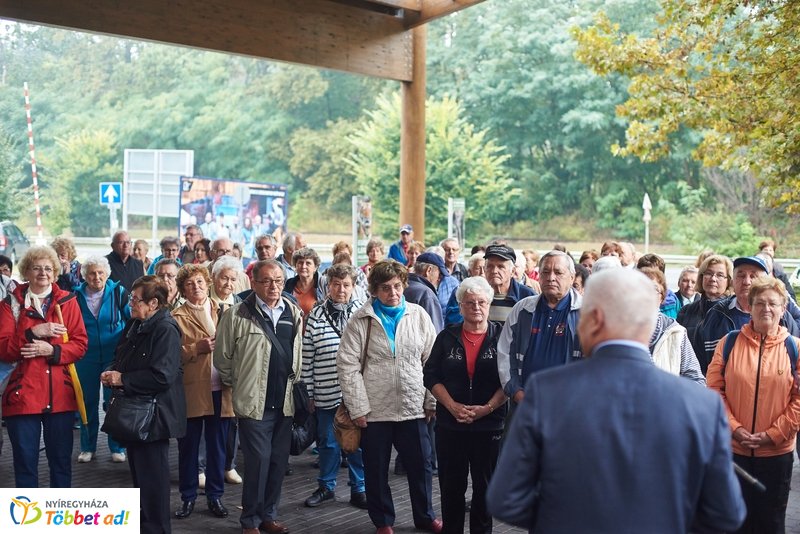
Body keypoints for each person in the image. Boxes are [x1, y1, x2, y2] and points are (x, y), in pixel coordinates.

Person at [487, 268, 746, 533]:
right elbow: (726, 513)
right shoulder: (701, 405)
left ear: (595, 319)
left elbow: (506, 499)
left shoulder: (546, 392)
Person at [337, 260, 441, 534]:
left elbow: (432, 362)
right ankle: (383, 521)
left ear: (404, 285)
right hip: (374, 411)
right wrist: (358, 408)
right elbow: (347, 366)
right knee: (376, 469)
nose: (393, 293)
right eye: (385, 288)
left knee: (421, 467)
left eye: (397, 286)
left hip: (414, 408)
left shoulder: (418, 315)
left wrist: (431, 400)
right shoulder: (360, 319)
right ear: (374, 290)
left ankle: (425, 516)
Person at [214, 259, 303, 534]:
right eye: (266, 281)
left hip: (284, 403)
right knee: (258, 463)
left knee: (277, 463)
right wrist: (241, 385)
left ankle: (269, 515)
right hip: (253, 404)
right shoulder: (237, 314)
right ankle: (250, 521)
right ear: (253, 283)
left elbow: (297, 354)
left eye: (278, 280)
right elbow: (223, 359)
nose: (273, 286)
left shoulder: (292, 311)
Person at [707, 276, 800, 533]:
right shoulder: (729, 343)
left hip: (776, 455)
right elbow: (714, 391)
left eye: (773, 303)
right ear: (750, 306)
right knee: (733, 522)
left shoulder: (795, 348)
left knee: (771, 523)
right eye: (759, 302)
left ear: (783, 309)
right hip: (734, 453)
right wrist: (734, 429)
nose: (766, 309)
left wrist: (773, 435)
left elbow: (799, 401)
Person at [101, 276, 186, 534]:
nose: (130, 304)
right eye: (130, 298)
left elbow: (163, 375)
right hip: (136, 414)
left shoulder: (166, 329)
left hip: (154, 417)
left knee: (153, 484)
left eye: (135, 300)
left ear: (154, 303)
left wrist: (123, 379)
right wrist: (111, 371)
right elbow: (120, 356)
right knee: (141, 480)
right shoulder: (135, 324)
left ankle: (157, 528)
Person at [423, 276, 507, 534]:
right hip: (451, 425)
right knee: (451, 487)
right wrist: (451, 406)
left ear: (489, 304)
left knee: (485, 489)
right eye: (469, 303)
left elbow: (510, 378)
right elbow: (431, 375)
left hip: (488, 425)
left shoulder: (502, 337)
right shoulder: (447, 337)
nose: (476, 307)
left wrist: (487, 409)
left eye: (481, 302)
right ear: (460, 307)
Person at [0, 246, 88, 487]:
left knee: (61, 464)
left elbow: (80, 345)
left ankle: (58, 523)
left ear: (56, 272)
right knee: (25, 464)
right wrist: (32, 333)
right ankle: (30, 524)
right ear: (26, 271)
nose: (43, 273)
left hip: (60, 396)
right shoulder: (10, 304)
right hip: (21, 396)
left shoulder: (68, 302)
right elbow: (4, 349)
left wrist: (53, 351)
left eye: (48, 268)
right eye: (36, 268)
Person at [301, 263, 367, 510]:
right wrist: (308, 391)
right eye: (336, 284)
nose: (341, 289)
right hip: (325, 390)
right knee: (327, 442)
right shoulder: (316, 314)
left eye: (346, 285)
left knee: (356, 443)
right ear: (328, 286)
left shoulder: (363, 312)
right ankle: (326, 487)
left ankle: (359, 489)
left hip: (356, 393)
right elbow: (307, 355)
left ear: (353, 287)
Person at [172, 264, 233, 520]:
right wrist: (195, 348)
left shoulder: (226, 310)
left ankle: (215, 496)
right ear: (183, 290)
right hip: (192, 392)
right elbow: (171, 356)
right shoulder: (176, 317)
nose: (195, 287)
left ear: (207, 282)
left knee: (218, 448)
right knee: (189, 447)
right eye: (189, 284)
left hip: (222, 390)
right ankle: (187, 497)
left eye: (199, 281)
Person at [497, 250, 582, 404]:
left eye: (558, 272)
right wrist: (516, 392)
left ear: (572, 277)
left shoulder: (586, 312)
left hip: (570, 406)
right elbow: (505, 353)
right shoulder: (522, 309)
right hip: (525, 402)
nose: (551, 278)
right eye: (546, 272)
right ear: (539, 276)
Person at [699, 256, 800, 375]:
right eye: (741, 275)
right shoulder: (716, 314)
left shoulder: (781, 317)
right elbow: (702, 365)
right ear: (732, 281)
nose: (746, 282)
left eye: (753, 276)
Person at [74, 255, 130, 464]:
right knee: (87, 402)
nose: (96, 277)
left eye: (100, 273)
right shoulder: (75, 297)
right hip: (85, 357)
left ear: (107, 274)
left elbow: (131, 320)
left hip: (113, 357)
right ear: (85, 276)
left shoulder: (119, 292)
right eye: (92, 273)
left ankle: (117, 446)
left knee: (113, 402)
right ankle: (88, 447)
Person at [209, 255, 244, 485]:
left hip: (234, 371)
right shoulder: (203, 301)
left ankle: (228, 465)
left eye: (233, 279)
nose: (228, 284)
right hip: (207, 370)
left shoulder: (241, 304)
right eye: (224, 278)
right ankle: (203, 467)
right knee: (208, 421)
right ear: (213, 278)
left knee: (231, 421)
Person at [638, 267, 705, 384]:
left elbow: (695, 378)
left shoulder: (675, 332)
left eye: (653, 289)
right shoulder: (616, 329)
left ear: (662, 297)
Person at [446, 245, 535, 325]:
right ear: (484, 269)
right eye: (490, 266)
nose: (494, 271)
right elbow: (453, 327)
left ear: (512, 271)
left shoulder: (527, 297)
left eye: (501, 267)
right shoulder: (466, 293)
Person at [677, 254, 733, 367]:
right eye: (708, 273)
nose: (713, 279)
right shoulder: (686, 311)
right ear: (701, 277)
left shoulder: (732, 312)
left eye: (720, 275)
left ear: (729, 281)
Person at [404, 253, 445, 333]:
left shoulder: (401, 287)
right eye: (439, 274)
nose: (439, 278)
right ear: (428, 270)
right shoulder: (426, 294)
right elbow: (435, 332)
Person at [284, 247, 325, 322]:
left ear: (315, 267)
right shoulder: (288, 285)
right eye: (300, 262)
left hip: (315, 332)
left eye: (308, 263)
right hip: (294, 332)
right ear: (295, 266)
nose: (303, 266)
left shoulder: (322, 286)